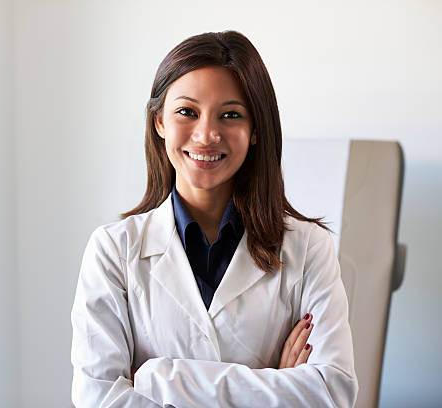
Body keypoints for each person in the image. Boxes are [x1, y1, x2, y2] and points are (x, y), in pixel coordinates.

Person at [71, 30, 358, 407]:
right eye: (187, 112)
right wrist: (276, 385)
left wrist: (160, 380)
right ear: (159, 122)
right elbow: (98, 397)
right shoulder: (112, 251)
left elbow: (332, 392)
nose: (206, 135)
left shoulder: (309, 249)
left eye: (231, 115)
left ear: (255, 130)